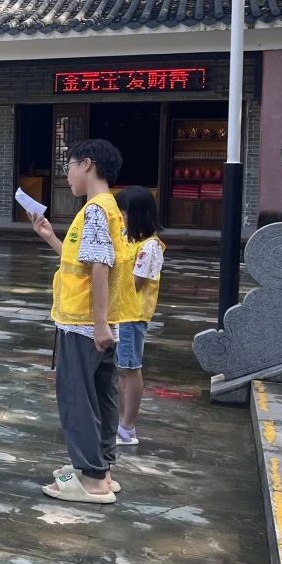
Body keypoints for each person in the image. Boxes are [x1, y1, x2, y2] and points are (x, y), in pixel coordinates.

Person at [30, 138, 129, 504]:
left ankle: (91, 479)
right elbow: (86, 262)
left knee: (77, 397)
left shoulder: (95, 211)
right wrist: (51, 238)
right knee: (101, 395)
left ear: (87, 164)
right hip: (99, 321)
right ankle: (101, 468)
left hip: (83, 322)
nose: (67, 175)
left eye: (69, 166)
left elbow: (100, 266)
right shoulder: (108, 207)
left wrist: (98, 323)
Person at [114, 185, 165, 447]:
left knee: (130, 369)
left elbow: (135, 283)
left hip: (132, 316)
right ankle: (122, 422)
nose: (120, 217)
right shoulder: (129, 240)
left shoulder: (150, 246)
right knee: (121, 370)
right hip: (120, 313)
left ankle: (128, 426)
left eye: (123, 212)